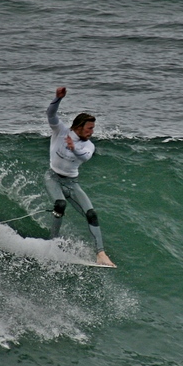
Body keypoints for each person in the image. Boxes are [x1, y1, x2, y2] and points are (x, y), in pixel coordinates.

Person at [44, 86, 115, 267]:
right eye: (89, 128)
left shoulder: (88, 146)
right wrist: (57, 98)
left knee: (91, 214)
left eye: (93, 128)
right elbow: (51, 114)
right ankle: (53, 242)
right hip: (53, 178)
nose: (92, 132)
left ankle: (101, 253)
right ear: (78, 126)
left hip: (72, 183)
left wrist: (74, 148)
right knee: (60, 204)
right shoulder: (60, 131)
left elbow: (85, 157)